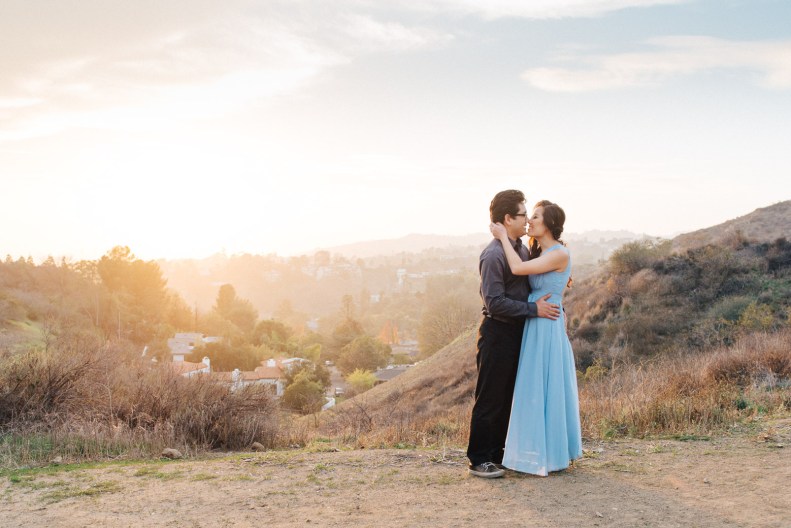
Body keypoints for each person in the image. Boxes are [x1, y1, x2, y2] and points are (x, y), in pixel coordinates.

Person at [467, 190, 561, 479]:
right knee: (490, 397)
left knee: (509, 396)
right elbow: (493, 301)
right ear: (508, 218)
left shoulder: (518, 248)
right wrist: (534, 309)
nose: (526, 220)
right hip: (497, 333)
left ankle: (498, 455)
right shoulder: (494, 254)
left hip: (518, 333)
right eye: (523, 215)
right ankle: (480, 459)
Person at [490, 200, 582, 476]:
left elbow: (518, 270)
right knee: (533, 387)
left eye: (536, 217)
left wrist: (503, 237)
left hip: (547, 323)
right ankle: (535, 451)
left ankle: (551, 454)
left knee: (546, 386)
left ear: (550, 224)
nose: (530, 220)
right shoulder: (538, 251)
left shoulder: (559, 253)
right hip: (536, 320)